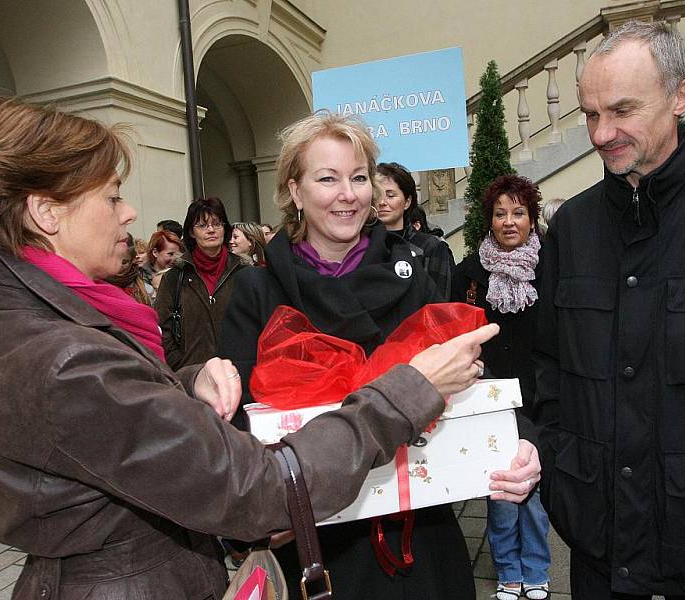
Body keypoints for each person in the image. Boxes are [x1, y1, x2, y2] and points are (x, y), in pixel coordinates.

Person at [0, 95, 502, 600]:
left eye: (359, 178)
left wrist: (182, 385)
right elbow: (252, 485)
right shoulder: (64, 356)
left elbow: (110, 422)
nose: (129, 211)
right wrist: (408, 391)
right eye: (111, 197)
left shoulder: (42, 325)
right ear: (45, 212)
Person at [219, 112, 542, 600]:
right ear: (294, 190)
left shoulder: (410, 273)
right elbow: (236, 427)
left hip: (422, 536)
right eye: (327, 178)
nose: (347, 194)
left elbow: (474, 374)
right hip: (315, 549)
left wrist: (523, 442)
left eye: (358, 177)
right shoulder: (257, 292)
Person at [534, 20, 685, 598]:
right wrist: (557, 469)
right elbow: (551, 372)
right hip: (601, 555)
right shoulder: (571, 227)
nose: (600, 133)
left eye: (621, 110)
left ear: (681, 97)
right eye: (590, 113)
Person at [451, 175, 551, 600]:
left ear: (531, 219)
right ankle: (509, 573)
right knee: (500, 493)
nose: (509, 221)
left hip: (539, 394)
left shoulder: (548, 267)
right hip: (490, 396)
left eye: (518, 213)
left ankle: (538, 571)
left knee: (537, 493)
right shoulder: (470, 272)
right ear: (489, 220)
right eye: (500, 213)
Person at [155, 197, 247, 370]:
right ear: (191, 232)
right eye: (203, 225)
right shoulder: (175, 277)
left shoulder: (244, 272)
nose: (211, 230)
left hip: (239, 373)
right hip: (192, 375)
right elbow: (162, 329)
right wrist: (181, 365)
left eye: (217, 224)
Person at [376, 162, 455, 299]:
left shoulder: (430, 246)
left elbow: (441, 304)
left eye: (390, 195)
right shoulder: (362, 244)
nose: (382, 202)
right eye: (376, 195)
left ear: (407, 202)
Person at [106, 233, 152, 305]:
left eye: (124, 262)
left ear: (133, 260)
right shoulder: (96, 284)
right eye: (113, 260)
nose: (117, 265)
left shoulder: (147, 290)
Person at [142, 230, 184, 301]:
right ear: (155, 252)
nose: (175, 259)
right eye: (170, 254)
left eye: (178, 254)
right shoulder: (141, 279)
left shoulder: (182, 274)